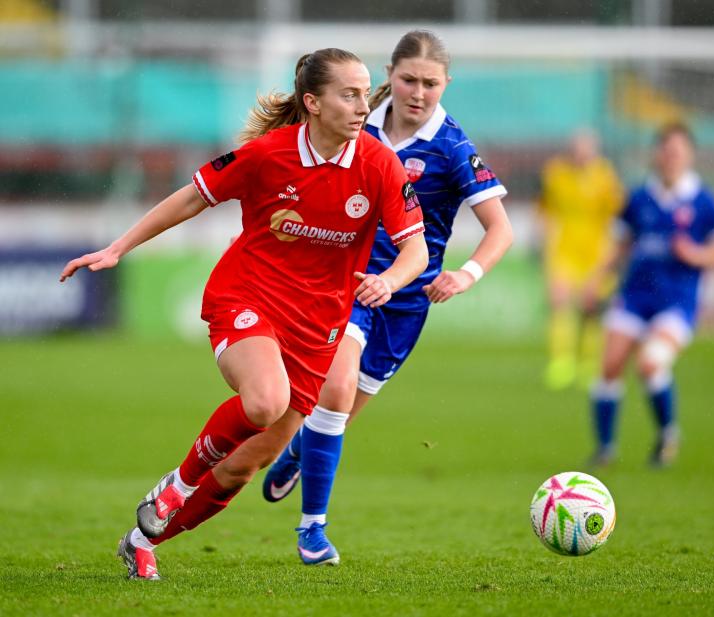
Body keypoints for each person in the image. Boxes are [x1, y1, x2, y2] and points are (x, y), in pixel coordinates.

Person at [140, 29, 513, 568]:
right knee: (330, 392)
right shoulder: (357, 118)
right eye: (407, 79)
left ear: (445, 85)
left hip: (405, 297)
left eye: (430, 83)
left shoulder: (452, 147)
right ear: (390, 75)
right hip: (346, 287)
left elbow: (498, 229)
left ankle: (283, 459)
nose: (416, 92)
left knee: (298, 433)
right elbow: (263, 172)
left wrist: (468, 273)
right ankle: (312, 529)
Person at [59, 47, 428, 580]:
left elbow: (415, 249)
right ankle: (176, 487)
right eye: (348, 94)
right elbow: (192, 198)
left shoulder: (378, 164)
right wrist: (118, 248)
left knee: (240, 468)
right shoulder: (268, 154)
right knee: (265, 400)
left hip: (317, 326)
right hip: (247, 297)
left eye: (363, 92)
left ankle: (142, 539)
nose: (362, 105)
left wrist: (389, 280)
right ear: (313, 103)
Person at [589, 122, 714, 467]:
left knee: (651, 363)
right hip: (635, 296)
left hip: (677, 301)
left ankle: (668, 435)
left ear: (689, 156)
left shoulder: (704, 201)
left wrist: (695, 255)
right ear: (656, 154)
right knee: (609, 366)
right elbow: (620, 244)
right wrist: (596, 280)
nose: (670, 158)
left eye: (677, 152)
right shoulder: (639, 197)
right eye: (665, 151)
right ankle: (605, 449)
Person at [538, 129, 623, 390]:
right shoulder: (555, 173)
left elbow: (616, 217)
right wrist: (543, 243)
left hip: (595, 253)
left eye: (586, 149)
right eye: (576, 148)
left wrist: (612, 254)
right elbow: (545, 209)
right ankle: (561, 363)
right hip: (563, 250)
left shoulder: (605, 176)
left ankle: (588, 363)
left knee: (591, 308)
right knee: (559, 302)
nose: (580, 154)